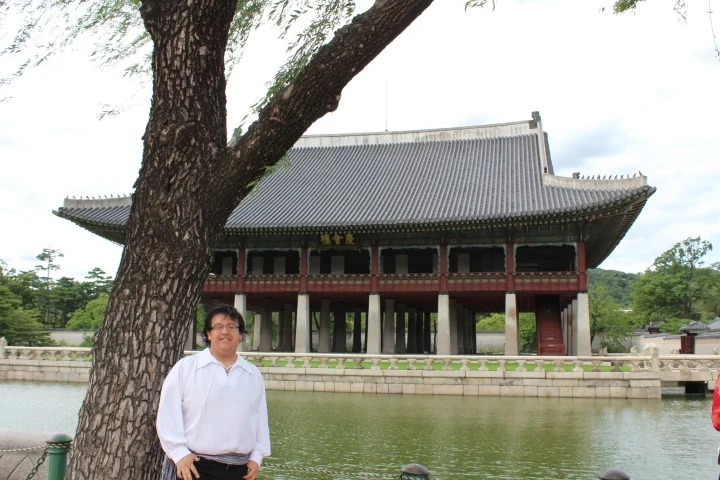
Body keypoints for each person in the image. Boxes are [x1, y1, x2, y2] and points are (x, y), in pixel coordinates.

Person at [157, 304, 271, 480]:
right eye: (218, 327)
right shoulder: (186, 368)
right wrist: (179, 453)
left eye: (232, 327)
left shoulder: (252, 374)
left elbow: (260, 419)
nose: (225, 332)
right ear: (208, 334)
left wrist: (257, 456)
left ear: (241, 335)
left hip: (239, 468)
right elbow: (168, 415)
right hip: (194, 465)